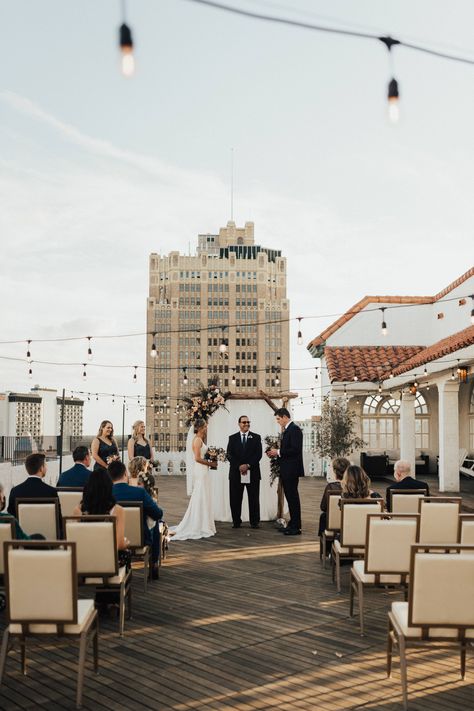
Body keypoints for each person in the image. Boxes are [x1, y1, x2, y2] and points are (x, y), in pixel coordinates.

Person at [109, 460, 164, 579]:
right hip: (140, 539)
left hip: (111, 539)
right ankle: (154, 562)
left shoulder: (105, 493)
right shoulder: (139, 492)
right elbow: (157, 514)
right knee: (155, 522)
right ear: (125, 474)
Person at [170, 419, 217, 541]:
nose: (206, 428)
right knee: (200, 495)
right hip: (201, 470)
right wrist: (210, 464)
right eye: (205, 426)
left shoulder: (200, 440)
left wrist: (212, 458)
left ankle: (203, 522)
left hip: (203, 470)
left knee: (203, 495)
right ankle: (198, 524)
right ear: (200, 428)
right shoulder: (197, 440)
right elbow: (197, 458)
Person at [72, 467, 129, 561]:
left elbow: (75, 540)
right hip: (108, 561)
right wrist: (126, 542)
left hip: (84, 560)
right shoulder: (117, 510)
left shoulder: (78, 510)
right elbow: (118, 545)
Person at [267, 408, 304, 536]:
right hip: (287, 469)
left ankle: (296, 527)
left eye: (278, 419)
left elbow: (295, 450)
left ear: (284, 417)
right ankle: (292, 524)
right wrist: (277, 453)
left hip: (292, 470)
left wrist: (277, 452)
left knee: (293, 498)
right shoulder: (288, 430)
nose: (277, 422)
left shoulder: (294, 429)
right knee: (290, 498)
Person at [226, 415, 263, 529]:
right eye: (244, 422)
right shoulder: (232, 438)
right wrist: (239, 466)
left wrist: (247, 465)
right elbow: (229, 454)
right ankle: (236, 522)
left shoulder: (256, 437)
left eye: (248, 422)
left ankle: (254, 522)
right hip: (236, 473)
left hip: (253, 473)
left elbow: (258, 454)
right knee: (235, 499)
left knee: (254, 498)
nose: (246, 424)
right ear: (239, 424)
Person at [7, 452, 59, 516]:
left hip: (22, 526)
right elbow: (57, 517)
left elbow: (11, 518)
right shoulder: (51, 491)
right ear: (41, 468)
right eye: (45, 465)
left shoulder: (15, 491)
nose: (46, 467)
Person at [318, 457, 350, 537]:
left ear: (335, 471)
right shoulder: (356, 487)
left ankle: (326, 545)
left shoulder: (331, 487)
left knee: (323, 516)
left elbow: (323, 507)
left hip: (333, 523)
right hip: (350, 523)